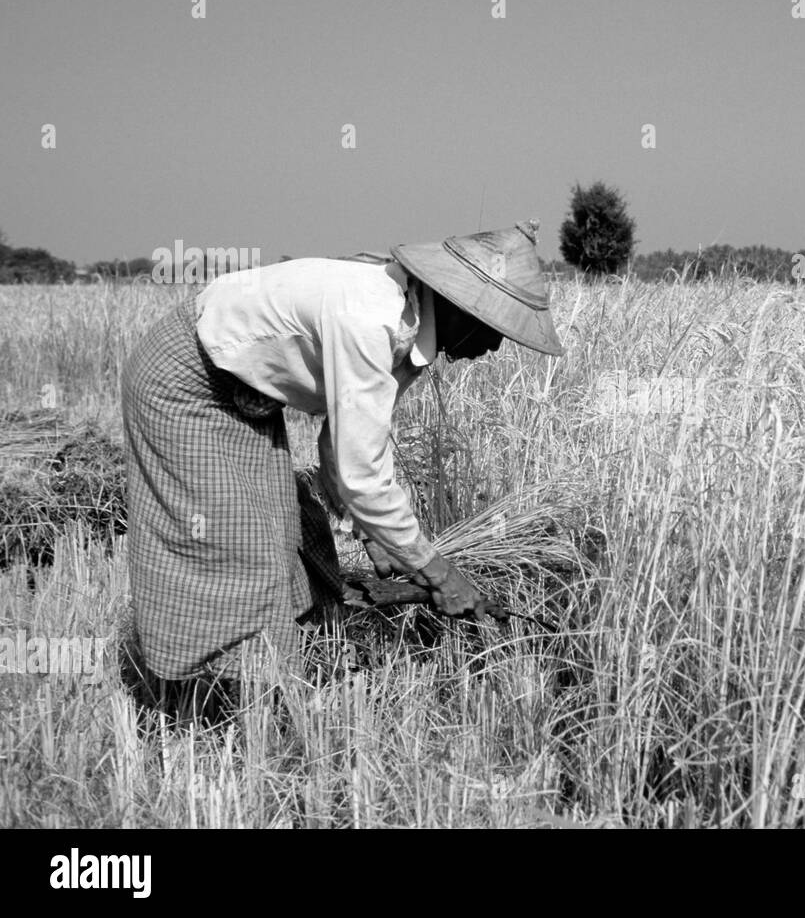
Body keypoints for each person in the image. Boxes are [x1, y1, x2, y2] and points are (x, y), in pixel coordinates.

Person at [120, 219, 563, 704]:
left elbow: (345, 442)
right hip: (189, 383)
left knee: (293, 533)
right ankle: (223, 707)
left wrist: (369, 530)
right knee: (245, 551)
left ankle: (282, 683)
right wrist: (439, 573)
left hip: (242, 394)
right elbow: (364, 476)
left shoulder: (408, 325)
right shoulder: (372, 320)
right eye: (493, 328)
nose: (493, 347)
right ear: (459, 306)